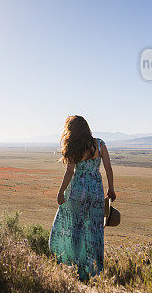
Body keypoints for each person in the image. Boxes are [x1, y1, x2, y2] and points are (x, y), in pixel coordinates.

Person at [48, 115, 116, 280]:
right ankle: (94, 269)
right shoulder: (99, 144)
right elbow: (108, 167)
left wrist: (61, 191)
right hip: (95, 192)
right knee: (94, 229)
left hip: (77, 192)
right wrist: (111, 189)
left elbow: (70, 172)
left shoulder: (73, 147)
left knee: (74, 229)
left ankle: (74, 266)